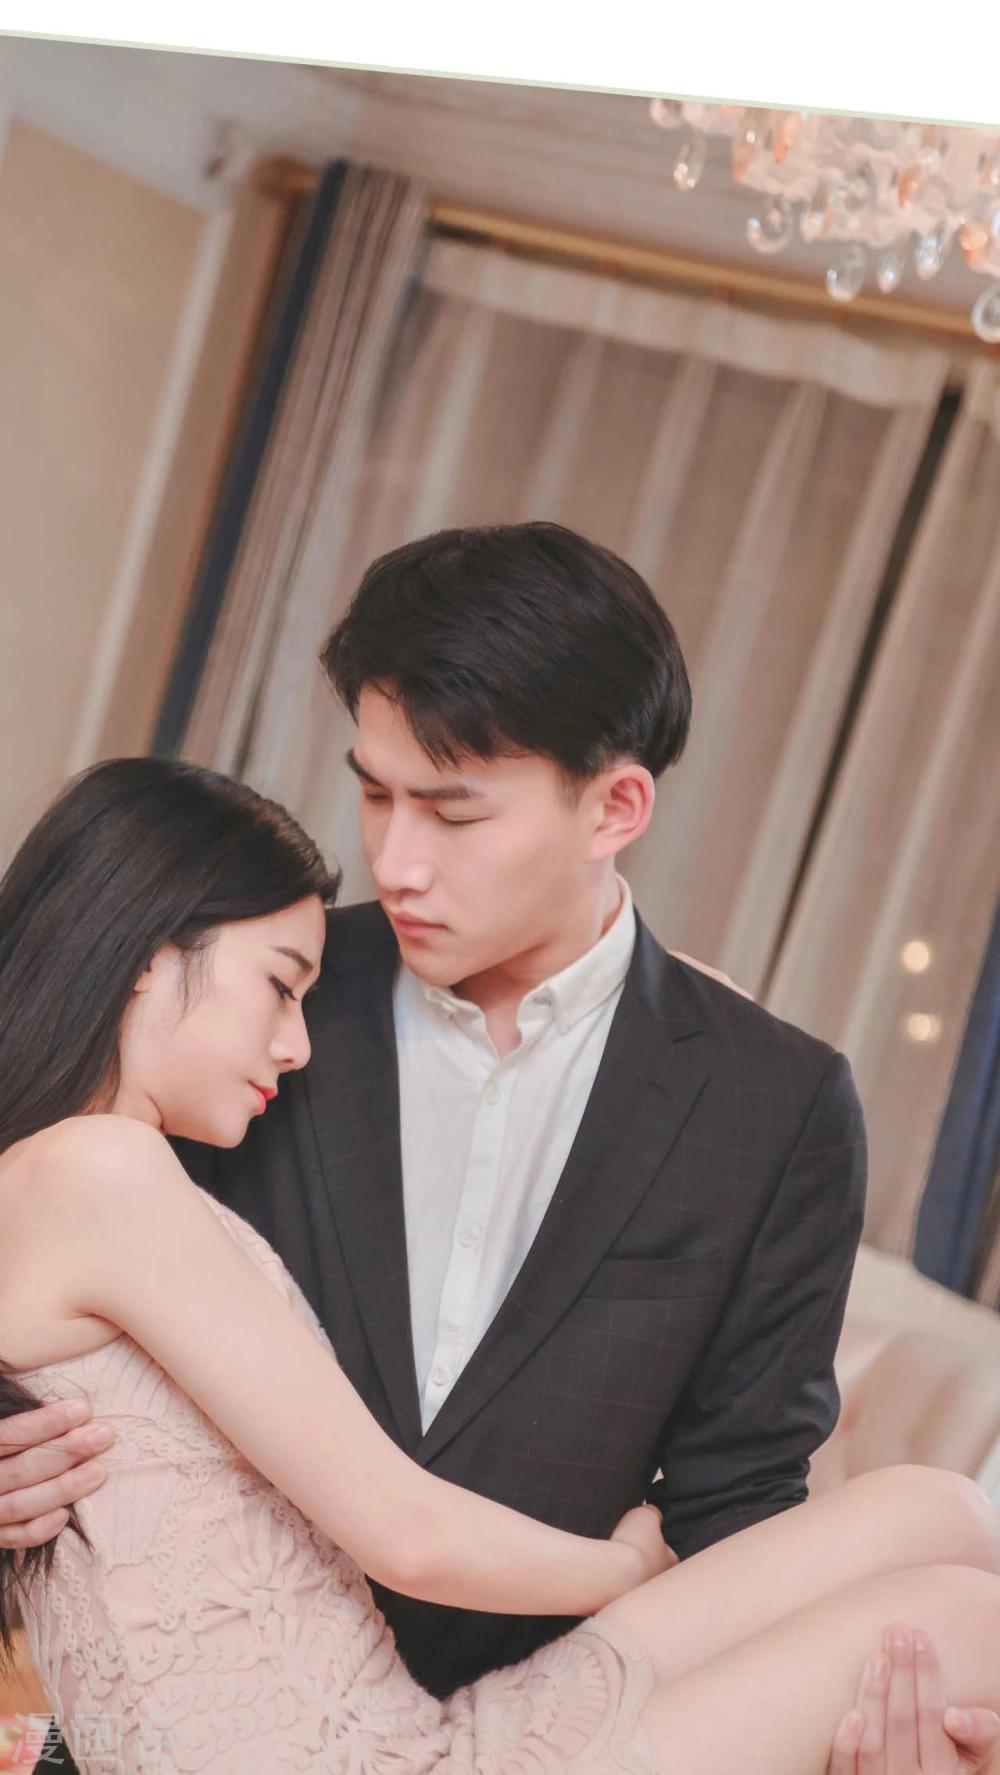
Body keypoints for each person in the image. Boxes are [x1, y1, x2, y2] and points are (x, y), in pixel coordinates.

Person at [0, 758, 998, 1775]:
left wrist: (687, 1025)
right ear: (149, 958)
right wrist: (629, 1564)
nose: (297, 1043)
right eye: (279, 985)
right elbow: (405, 1531)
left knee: (943, 1512)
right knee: (967, 1618)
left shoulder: (93, 1175)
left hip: (404, 1727)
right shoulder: (100, 1169)